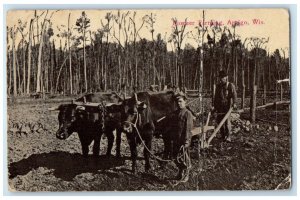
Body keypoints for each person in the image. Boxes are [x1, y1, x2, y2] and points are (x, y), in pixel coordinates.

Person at [171, 92, 194, 182]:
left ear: (185, 102)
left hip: (184, 140)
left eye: (180, 101)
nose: (178, 103)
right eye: (177, 102)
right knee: (176, 157)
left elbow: (188, 129)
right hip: (176, 139)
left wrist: (187, 141)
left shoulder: (187, 113)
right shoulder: (176, 113)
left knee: (185, 158)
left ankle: (186, 175)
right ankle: (180, 172)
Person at [212, 70, 237, 142]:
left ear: (226, 77)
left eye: (222, 78)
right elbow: (216, 97)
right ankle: (223, 136)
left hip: (227, 106)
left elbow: (234, 95)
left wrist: (234, 103)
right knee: (219, 121)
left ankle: (228, 136)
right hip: (219, 107)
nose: (221, 79)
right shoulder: (218, 86)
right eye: (220, 78)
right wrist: (214, 106)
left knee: (227, 122)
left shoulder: (230, 85)